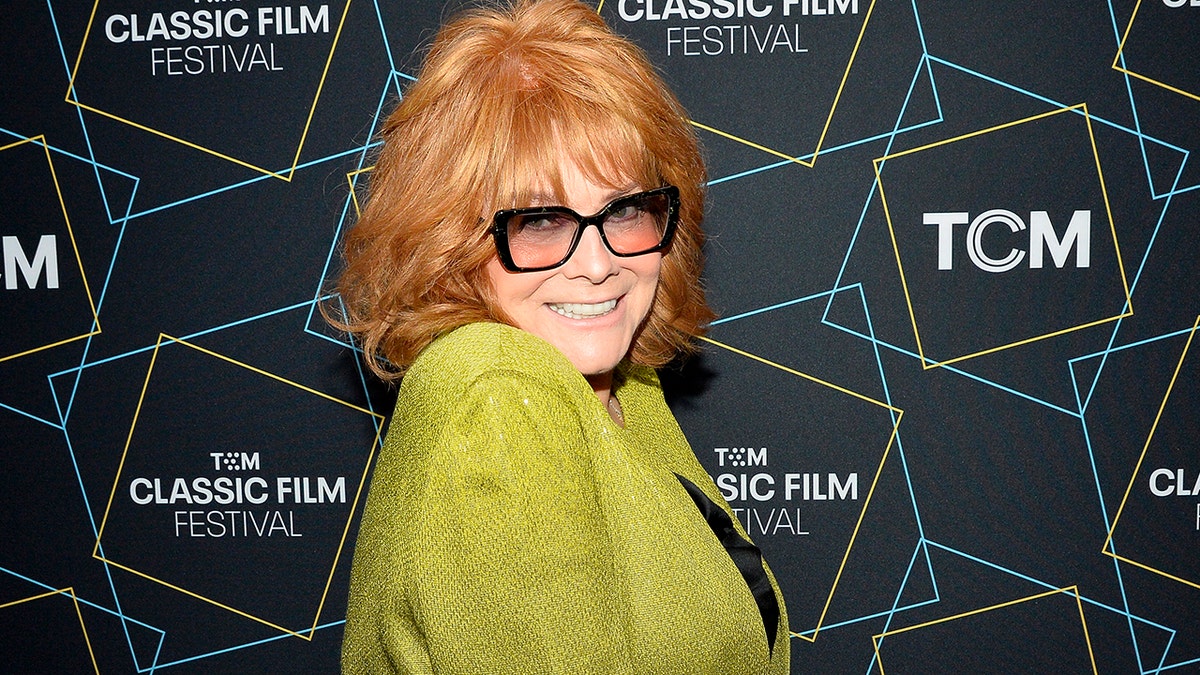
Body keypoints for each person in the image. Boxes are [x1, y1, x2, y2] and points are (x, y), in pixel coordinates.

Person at [335, 0, 789, 672]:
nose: (598, 264)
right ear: (450, 242)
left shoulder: (623, 388)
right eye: (541, 222)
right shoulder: (498, 395)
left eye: (625, 210)